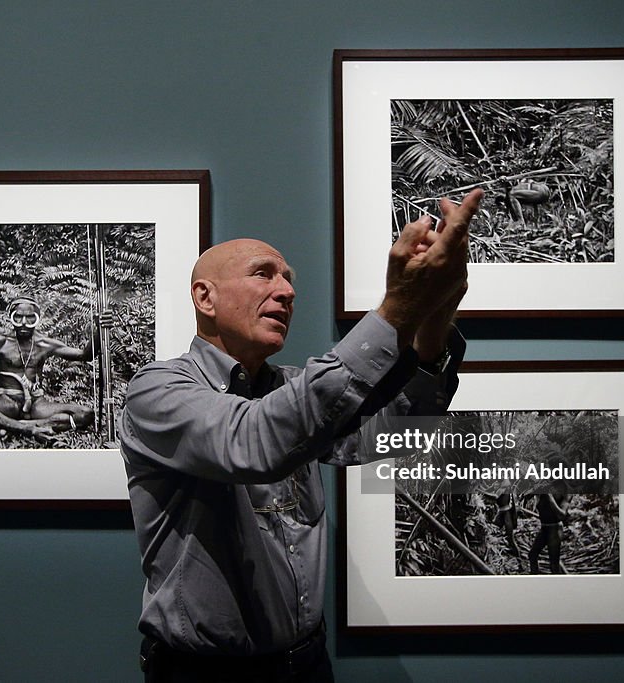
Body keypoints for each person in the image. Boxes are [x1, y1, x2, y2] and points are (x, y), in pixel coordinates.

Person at [120, 189, 483, 682]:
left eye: (289, 279)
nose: (287, 291)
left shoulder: (293, 389)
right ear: (205, 297)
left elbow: (392, 434)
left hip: (307, 665)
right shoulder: (157, 390)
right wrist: (397, 308)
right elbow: (253, 442)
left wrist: (434, 314)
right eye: (263, 273)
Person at [0, 295, 104, 441]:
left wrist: (99, 329)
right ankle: (29, 428)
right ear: (11, 317)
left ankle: (15, 426)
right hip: (7, 404)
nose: (24, 323)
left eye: (30, 318)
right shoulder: (0, 342)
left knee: (86, 414)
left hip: (37, 405)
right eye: (18, 317)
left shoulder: (44, 344)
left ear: (37, 318)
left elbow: (85, 355)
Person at [528, 458, 570, 575]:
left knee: (554, 565)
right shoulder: (546, 484)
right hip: (545, 528)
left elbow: (562, 515)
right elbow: (525, 496)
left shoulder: (565, 490)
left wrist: (550, 498)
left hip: (555, 529)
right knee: (532, 555)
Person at [492, 478, 524, 572]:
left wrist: (480, 491)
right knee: (492, 533)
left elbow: (495, 497)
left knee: (511, 539)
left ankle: (520, 564)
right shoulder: (498, 482)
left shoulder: (505, 483)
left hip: (506, 513)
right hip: (501, 513)